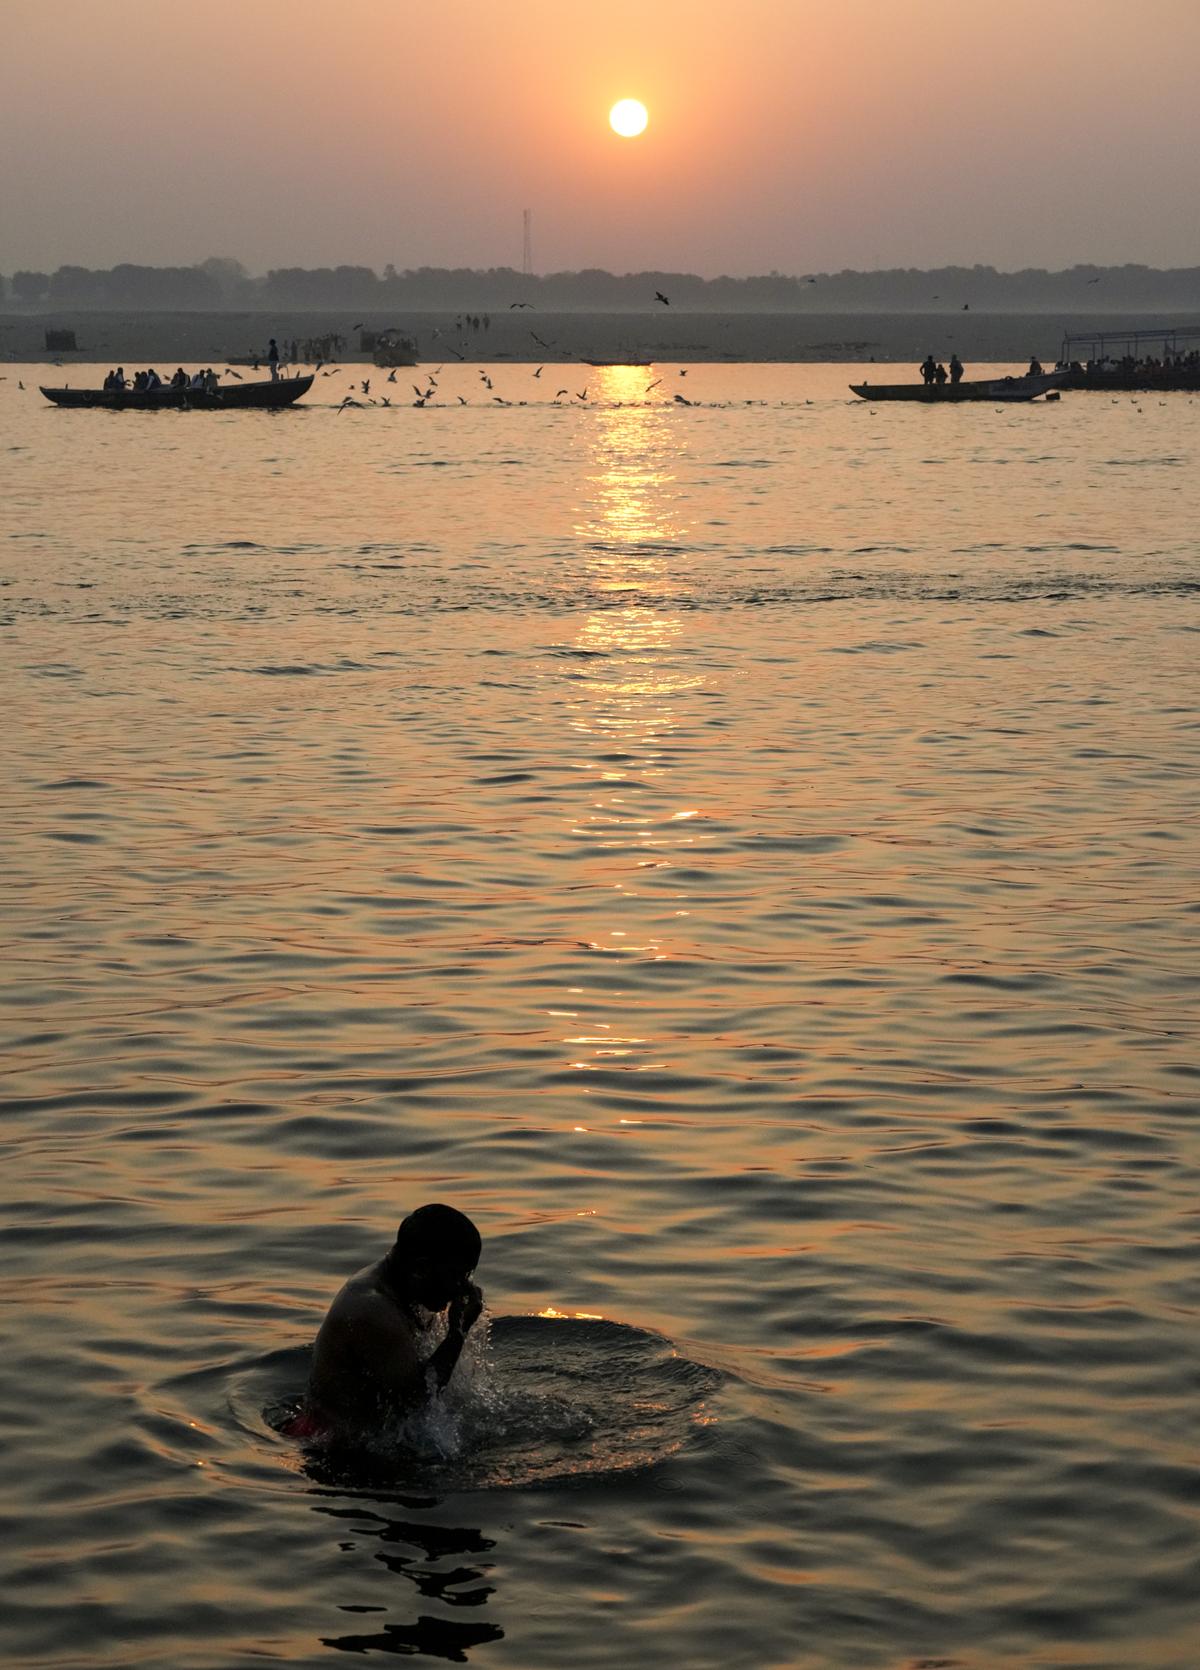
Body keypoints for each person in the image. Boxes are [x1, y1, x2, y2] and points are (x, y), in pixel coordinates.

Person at [289, 1203, 484, 1437]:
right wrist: (457, 1332)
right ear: (422, 1268)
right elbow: (417, 1403)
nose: (462, 1288)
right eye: (458, 1277)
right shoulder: (374, 1313)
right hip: (331, 1447)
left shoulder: (401, 1285)